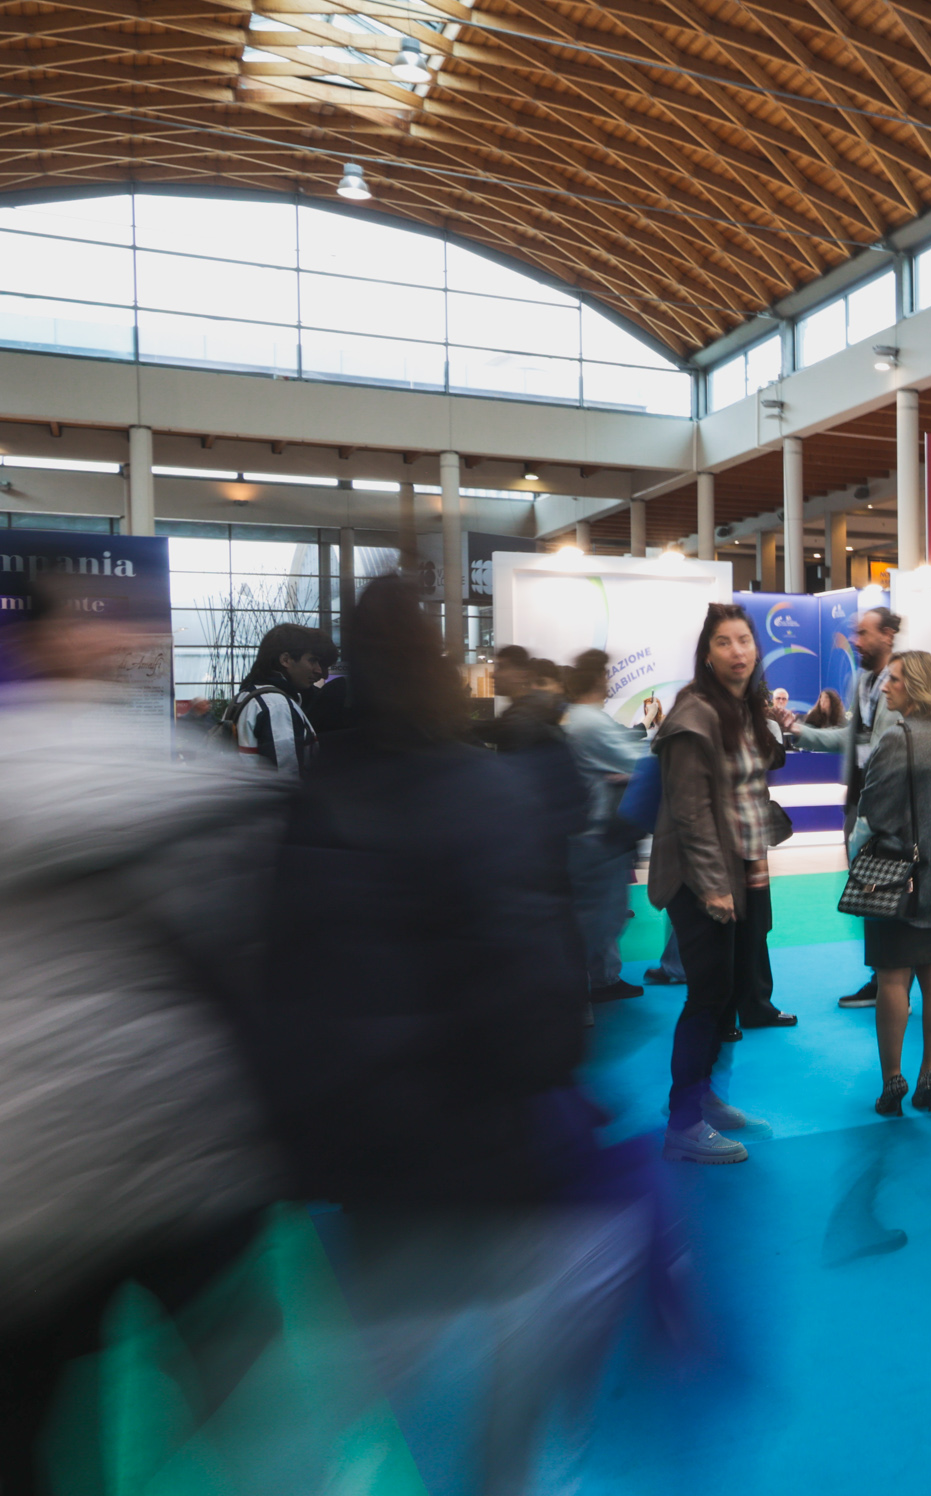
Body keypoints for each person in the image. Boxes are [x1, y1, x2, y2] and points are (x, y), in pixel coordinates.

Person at [241, 576, 641, 1494]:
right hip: (482, 1137)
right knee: (514, 1359)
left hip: (363, 1149)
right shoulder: (480, 790)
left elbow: (280, 973)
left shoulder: (311, 798)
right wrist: (553, 1071)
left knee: (370, 1362)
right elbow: (532, 980)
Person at [0, 574, 284, 1487]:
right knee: (245, 1394)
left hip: (37, 1175)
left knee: (38, 1418)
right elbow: (247, 935)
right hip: (177, 1142)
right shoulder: (174, 768)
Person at [649, 603, 793, 1165]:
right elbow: (689, 811)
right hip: (702, 878)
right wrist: (713, 887)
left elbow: (747, 791)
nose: (738, 651)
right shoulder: (695, 712)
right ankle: (683, 1122)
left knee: (729, 993)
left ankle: (703, 1097)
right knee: (707, 997)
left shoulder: (738, 709)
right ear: (707, 653)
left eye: (745, 640)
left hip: (741, 870)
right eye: (725, 642)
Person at [849, 650, 931, 1115]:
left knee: (891, 978)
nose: (886, 686)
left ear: (916, 685)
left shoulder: (895, 738)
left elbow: (875, 811)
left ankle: (892, 1081)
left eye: (896, 679)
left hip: (896, 875)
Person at [795, 607, 905, 1011]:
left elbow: (896, 744)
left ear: (888, 635)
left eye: (863, 633)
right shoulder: (862, 681)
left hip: (889, 806)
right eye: (855, 634)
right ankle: (882, 978)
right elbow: (851, 737)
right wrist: (799, 732)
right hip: (858, 802)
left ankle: (896, 985)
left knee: (891, 893)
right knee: (868, 894)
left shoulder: (903, 679)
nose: (855, 641)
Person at [560, 649, 647, 1003]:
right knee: (602, 915)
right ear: (596, 678)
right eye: (605, 674)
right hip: (596, 833)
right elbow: (635, 760)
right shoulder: (587, 721)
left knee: (602, 912)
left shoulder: (584, 717)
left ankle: (603, 978)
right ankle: (581, 984)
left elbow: (624, 746)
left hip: (596, 830)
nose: (609, 679)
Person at [228, 621, 334, 775]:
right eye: (312, 660)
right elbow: (287, 777)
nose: (318, 670)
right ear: (285, 660)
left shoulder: (247, 696)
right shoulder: (276, 705)